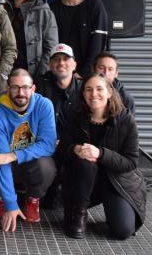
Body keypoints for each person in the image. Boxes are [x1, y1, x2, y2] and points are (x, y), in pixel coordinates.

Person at [60, 74, 145, 240]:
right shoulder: (75, 117)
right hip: (84, 181)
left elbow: (131, 162)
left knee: (122, 231)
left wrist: (100, 153)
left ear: (109, 92)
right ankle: (80, 213)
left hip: (116, 181)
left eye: (99, 89)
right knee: (86, 164)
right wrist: (74, 149)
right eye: (88, 89)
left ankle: (114, 207)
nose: (94, 94)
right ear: (83, 93)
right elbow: (61, 152)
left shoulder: (126, 121)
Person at [0, 69, 57, 232]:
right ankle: (1, 198)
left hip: (30, 162)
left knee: (46, 165)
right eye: (15, 87)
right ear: (8, 88)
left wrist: (13, 155)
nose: (20, 93)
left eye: (25, 87)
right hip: (4, 165)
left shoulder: (44, 105)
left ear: (33, 89)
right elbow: (1, 160)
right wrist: (11, 204)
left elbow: (48, 145)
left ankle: (32, 198)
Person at [50, 0, 109, 78]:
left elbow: (97, 43)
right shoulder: (53, 8)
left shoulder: (95, 6)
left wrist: (82, 73)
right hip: (60, 73)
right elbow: (50, 44)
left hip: (88, 75)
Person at [6, 0, 58, 78]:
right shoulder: (1, 10)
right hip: (6, 73)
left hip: (35, 73)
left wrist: (41, 74)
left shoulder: (44, 11)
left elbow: (51, 47)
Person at [35, 43, 82, 127]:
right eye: (56, 59)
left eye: (66, 59)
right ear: (49, 65)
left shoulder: (84, 88)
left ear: (74, 65)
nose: (61, 63)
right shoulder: (39, 86)